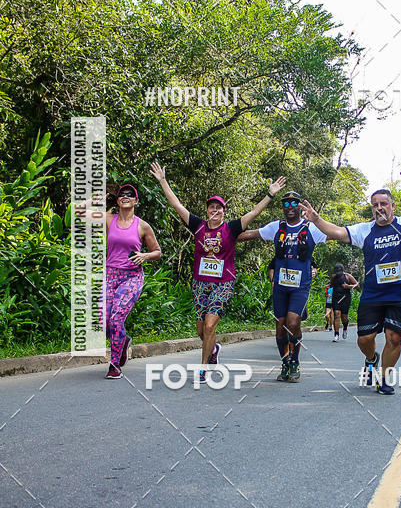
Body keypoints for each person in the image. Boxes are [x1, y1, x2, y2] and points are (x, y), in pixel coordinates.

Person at [300, 169, 401, 395]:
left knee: (394, 338)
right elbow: (339, 232)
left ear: (392, 206)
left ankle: (385, 378)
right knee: (365, 338)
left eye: (383, 204)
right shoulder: (365, 230)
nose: (379, 208)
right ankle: (371, 358)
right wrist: (316, 219)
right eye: (375, 205)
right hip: (373, 295)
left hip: (399, 294)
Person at [151, 163, 286, 378]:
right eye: (212, 207)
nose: (215, 211)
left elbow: (253, 212)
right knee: (200, 329)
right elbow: (176, 204)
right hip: (200, 283)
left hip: (223, 283)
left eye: (219, 208)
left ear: (224, 211)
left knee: (211, 325)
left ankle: (204, 368)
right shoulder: (198, 226)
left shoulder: (231, 228)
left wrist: (270, 194)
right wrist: (162, 180)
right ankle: (213, 349)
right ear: (207, 211)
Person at [238, 191, 327, 382]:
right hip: (280, 286)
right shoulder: (276, 227)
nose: (290, 208)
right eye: (286, 204)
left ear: (300, 206)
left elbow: (337, 233)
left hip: (300, 286)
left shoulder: (311, 228)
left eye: (294, 203)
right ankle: (285, 361)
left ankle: (295, 361)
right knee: (280, 327)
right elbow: (250, 234)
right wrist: (223, 235)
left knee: (293, 323)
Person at [83, 184, 162, 380]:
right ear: (117, 201)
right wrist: (95, 201)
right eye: (122, 195)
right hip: (110, 275)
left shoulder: (143, 226)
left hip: (132, 277)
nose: (125, 196)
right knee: (104, 320)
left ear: (136, 201)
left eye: (130, 195)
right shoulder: (109, 219)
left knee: (116, 318)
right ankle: (123, 340)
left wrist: (144, 256)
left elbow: (157, 252)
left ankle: (115, 364)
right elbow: (80, 213)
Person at [329, 263, 358, 341]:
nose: (338, 274)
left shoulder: (348, 277)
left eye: (339, 272)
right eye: (336, 273)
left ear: (342, 271)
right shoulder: (333, 277)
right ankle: (336, 334)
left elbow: (357, 285)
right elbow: (331, 285)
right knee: (336, 314)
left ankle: (345, 328)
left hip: (345, 298)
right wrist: (328, 287)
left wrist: (348, 286)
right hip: (336, 298)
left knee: (344, 317)